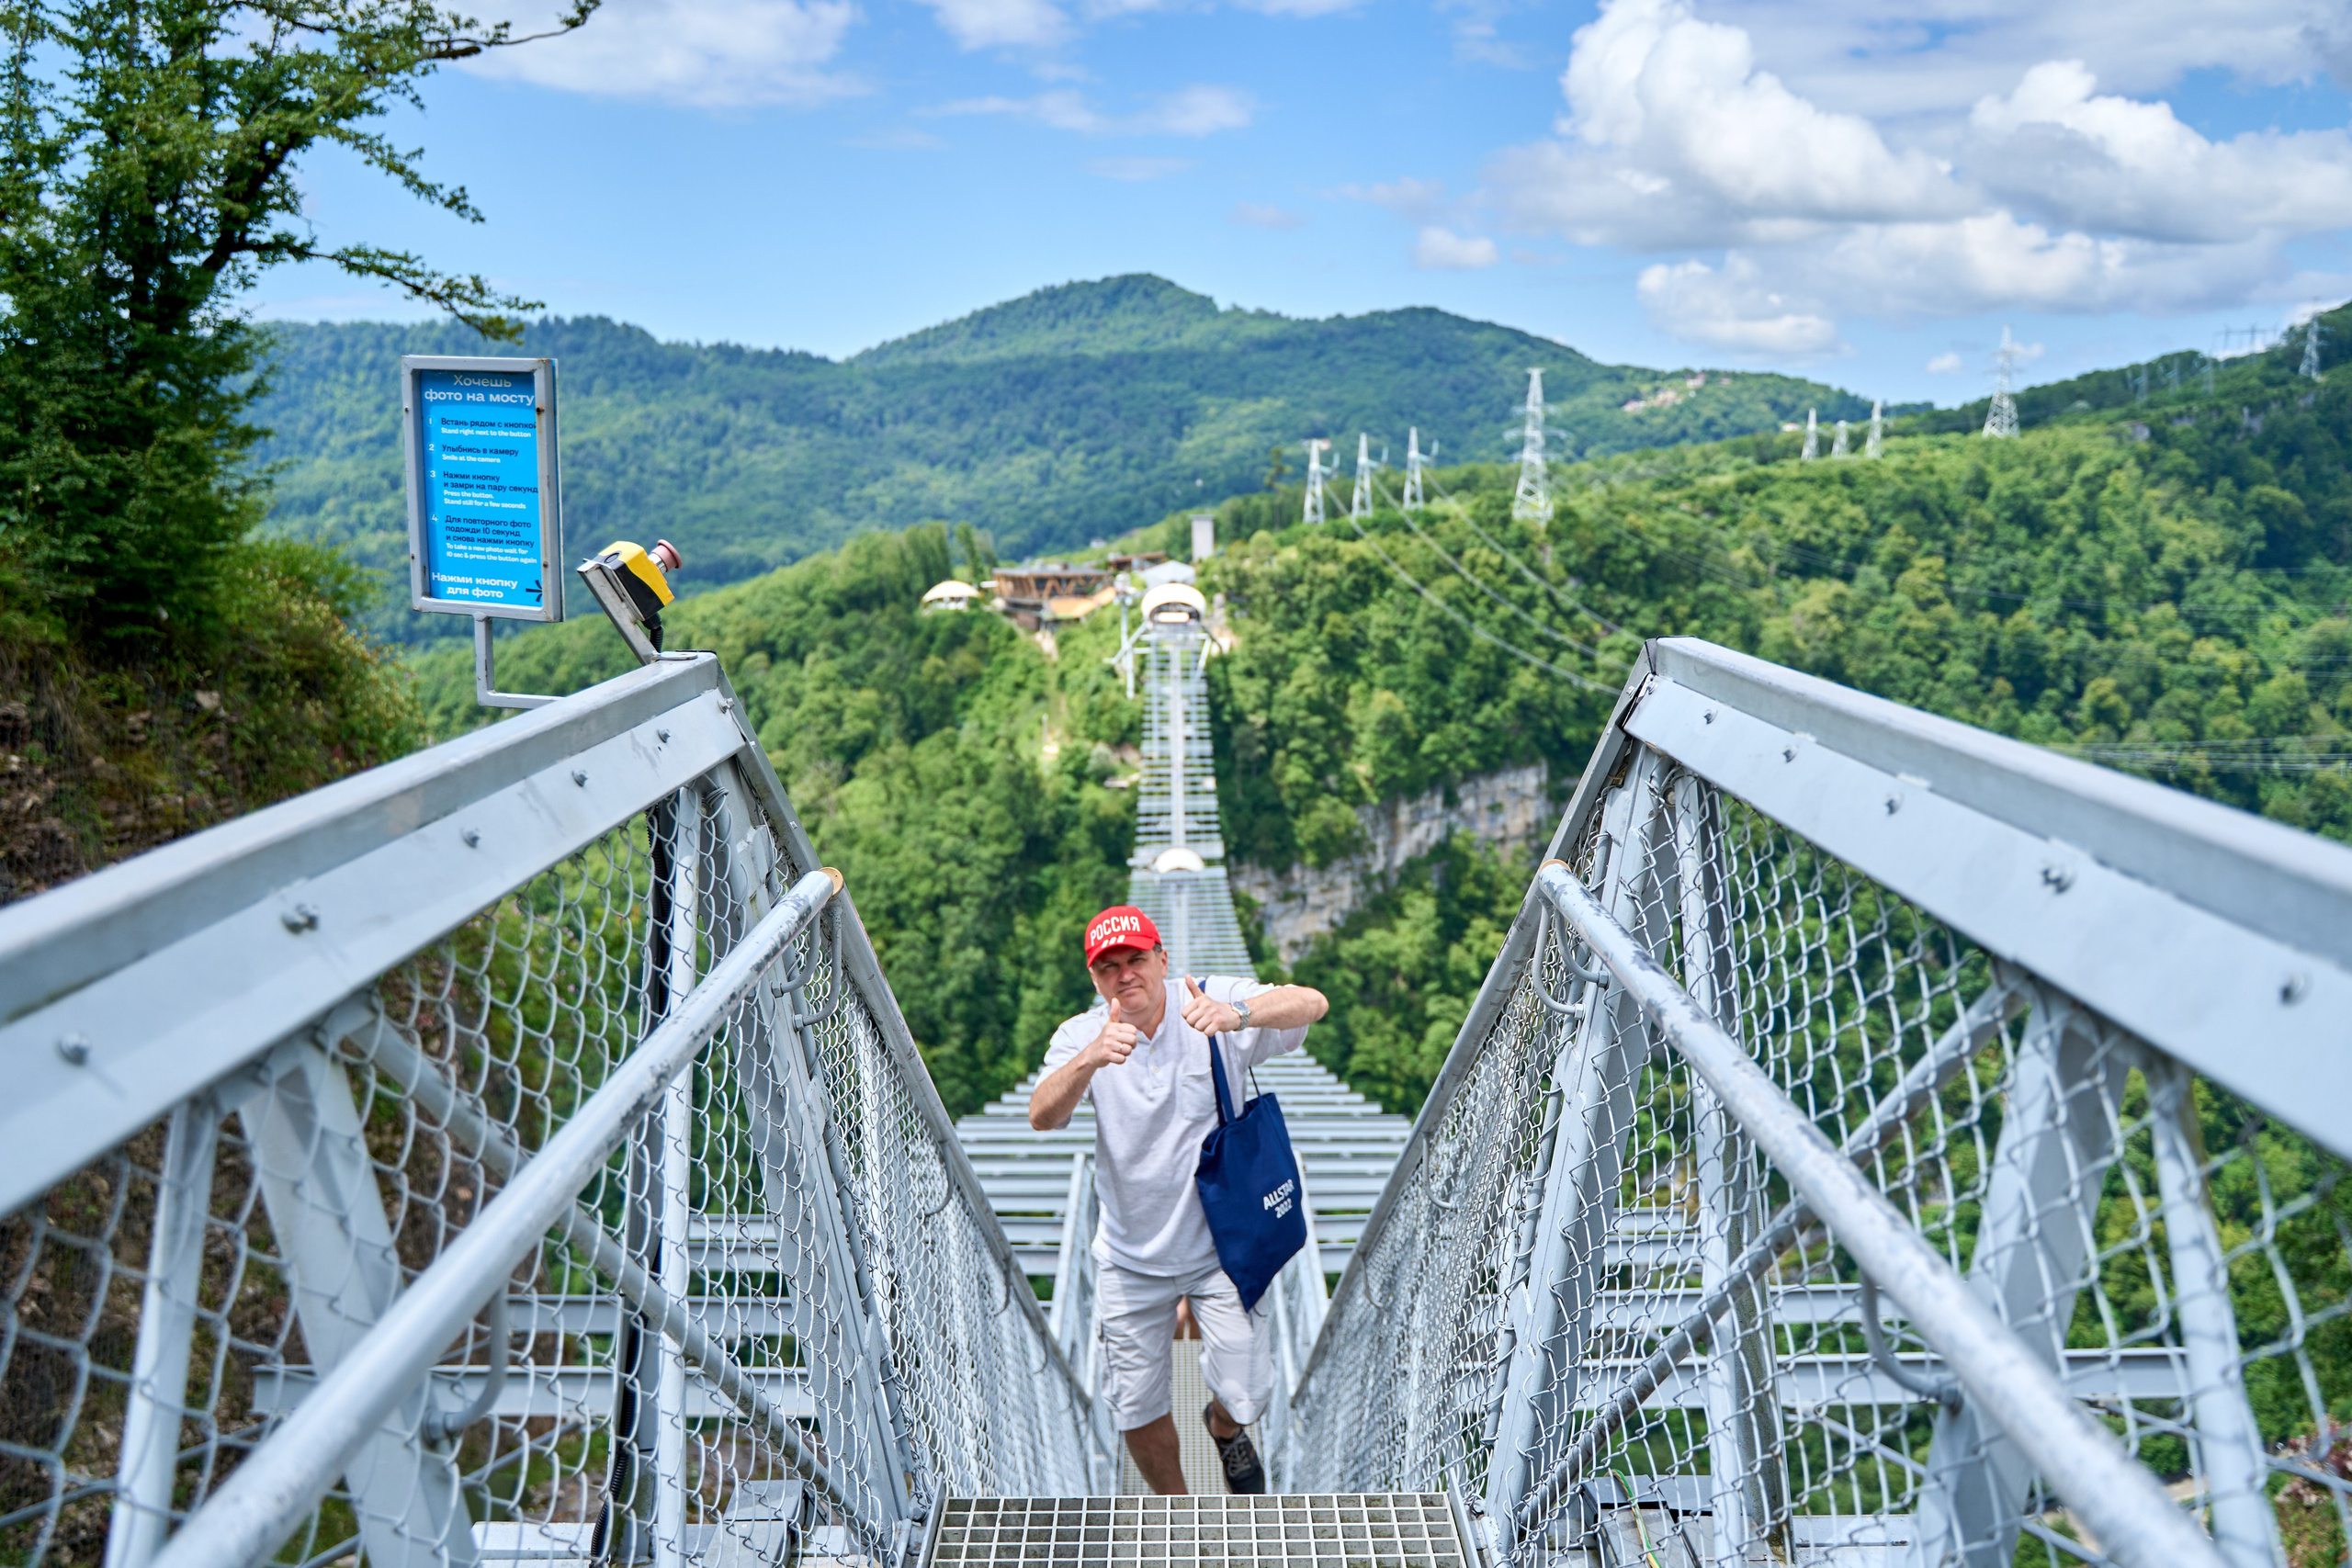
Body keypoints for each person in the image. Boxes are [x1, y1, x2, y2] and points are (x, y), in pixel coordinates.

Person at [1030, 906, 1329, 1495]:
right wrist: (1090, 1058)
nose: (1125, 975)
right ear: (1094, 978)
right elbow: (1043, 1115)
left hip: (1222, 1251)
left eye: (1137, 959)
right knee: (1135, 1407)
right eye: (1109, 967)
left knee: (1248, 1394)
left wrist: (1238, 1015)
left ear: (1163, 959)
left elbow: (1311, 1003)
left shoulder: (1209, 999)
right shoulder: (1081, 1034)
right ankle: (1180, 1515)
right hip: (1129, 1258)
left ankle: (1223, 1427)